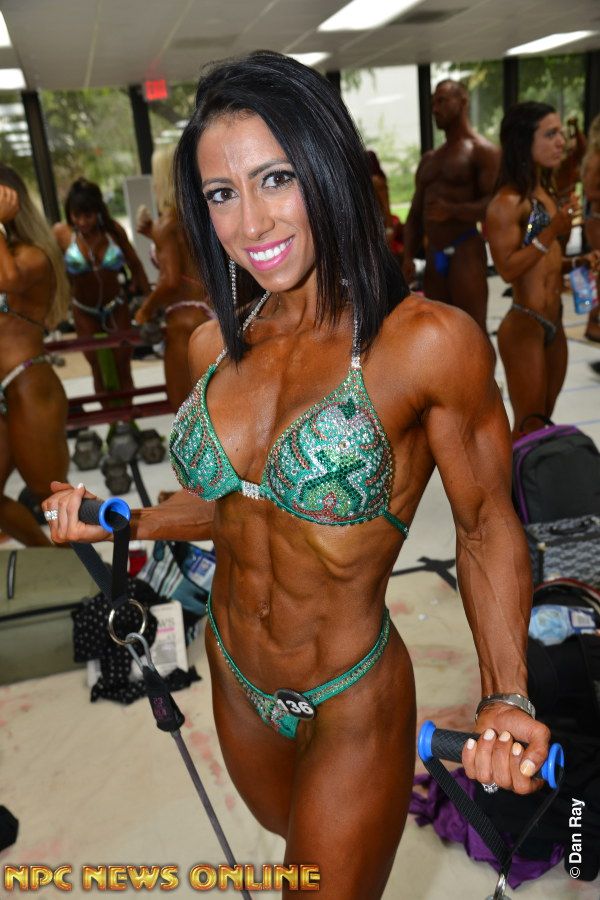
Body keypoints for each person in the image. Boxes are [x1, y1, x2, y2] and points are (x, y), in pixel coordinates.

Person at [44, 52, 550, 899]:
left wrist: (507, 696)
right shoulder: (214, 345)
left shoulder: (425, 345)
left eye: (275, 178)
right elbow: (231, 509)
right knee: (301, 854)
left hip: (348, 697)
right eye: (221, 193)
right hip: (233, 680)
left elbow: (485, 524)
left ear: (328, 167)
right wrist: (120, 516)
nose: (250, 222)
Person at [486, 102, 600, 439]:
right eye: (550, 134)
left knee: (543, 420)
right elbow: (507, 270)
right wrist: (553, 230)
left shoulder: (546, 193)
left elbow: (544, 263)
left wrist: (577, 262)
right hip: (525, 323)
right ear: (523, 142)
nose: (561, 141)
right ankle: (510, 475)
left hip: (556, 322)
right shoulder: (507, 202)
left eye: (560, 133)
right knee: (528, 425)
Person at [0, 165, 70, 546]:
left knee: (53, 496)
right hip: (7, 391)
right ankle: (53, 558)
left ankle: (87, 570)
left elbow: (8, 281)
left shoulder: (33, 255)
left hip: (28, 383)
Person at [403, 79, 500, 332]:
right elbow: (415, 214)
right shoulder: (429, 159)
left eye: (442, 101)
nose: (435, 109)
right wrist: (407, 256)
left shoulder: (483, 151)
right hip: (434, 254)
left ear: (463, 102)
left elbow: (496, 206)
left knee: (473, 331)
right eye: (433, 103)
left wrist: (453, 210)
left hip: (465, 249)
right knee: (441, 333)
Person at [53, 178, 150, 405]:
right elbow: (51, 272)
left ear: (97, 211)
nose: (82, 221)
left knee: (123, 364)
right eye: (76, 216)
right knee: (97, 368)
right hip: (83, 311)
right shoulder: (62, 234)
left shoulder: (113, 231)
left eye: (87, 215)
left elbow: (135, 265)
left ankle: (127, 417)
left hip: (116, 306)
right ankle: (112, 422)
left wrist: (149, 302)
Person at [134, 146, 213, 410]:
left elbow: (170, 280)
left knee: (183, 410)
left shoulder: (167, 222)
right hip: (211, 317)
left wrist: (145, 310)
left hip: (182, 325)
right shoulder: (200, 216)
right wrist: (152, 236)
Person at [365, 150, 403, 266]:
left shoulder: (375, 181)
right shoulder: (378, 179)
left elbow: (385, 206)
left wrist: (389, 229)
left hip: (380, 224)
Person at [582, 113, 600, 343]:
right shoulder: (596, 158)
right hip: (596, 220)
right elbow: (590, 192)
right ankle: (592, 322)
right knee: (597, 273)